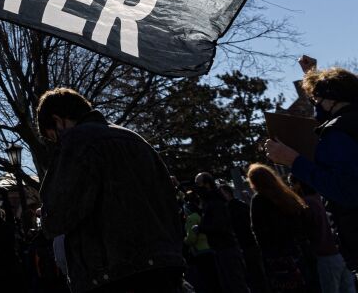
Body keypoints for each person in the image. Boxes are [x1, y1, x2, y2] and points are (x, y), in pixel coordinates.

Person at [37, 88, 184, 293]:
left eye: (54, 137)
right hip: (165, 265)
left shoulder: (76, 143)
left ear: (58, 120)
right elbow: (170, 205)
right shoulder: (137, 141)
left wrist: (45, 217)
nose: (57, 143)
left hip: (112, 273)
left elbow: (58, 216)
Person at [266, 66, 358, 276]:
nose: (315, 105)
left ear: (331, 99)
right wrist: (311, 72)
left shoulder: (337, 133)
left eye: (316, 99)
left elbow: (346, 190)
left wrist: (294, 160)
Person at [247, 164, 314, 292]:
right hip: (296, 251)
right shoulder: (286, 195)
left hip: (276, 255)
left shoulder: (259, 200)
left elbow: (257, 229)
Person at [292, 177, 356, 293]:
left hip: (325, 255)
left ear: (298, 185)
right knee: (349, 288)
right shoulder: (321, 198)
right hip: (340, 251)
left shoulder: (305, 204)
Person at [194, 172, 251, 293]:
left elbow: (220, 226)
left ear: (207, 184)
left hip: (226, 248)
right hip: (220, 248)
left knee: (235, 284)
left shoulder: (215, 202)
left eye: (198, 183)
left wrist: (201, 228)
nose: (196, 187)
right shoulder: (210, 201)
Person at [221, 183, 269, 293]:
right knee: (259, 273)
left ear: (227, 194)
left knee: (251, 274)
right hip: (251, 242)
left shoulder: (228, 209)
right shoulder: (242, 205)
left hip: (243, 244)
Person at [183, 191, 221, 293]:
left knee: (206, 280)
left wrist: (184, 241)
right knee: (215, 278)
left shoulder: (191, 218)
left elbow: (191, 239)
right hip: (210, 248)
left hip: (199, 251)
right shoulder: (202, 214)